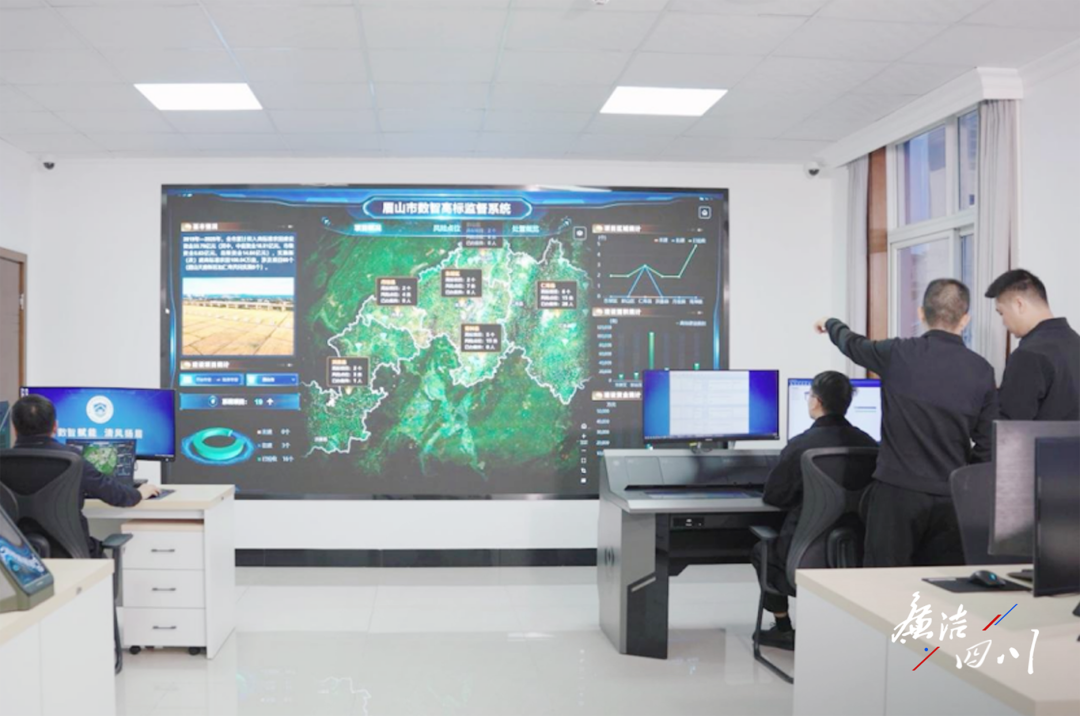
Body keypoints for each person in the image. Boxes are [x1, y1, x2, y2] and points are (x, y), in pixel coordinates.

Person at [814, 279, 998, 567]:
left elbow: (852, 344)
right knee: (940, 586)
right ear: (965, 319)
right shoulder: (982, 370)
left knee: (885, 584)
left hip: (897, 495)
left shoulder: (897, 353)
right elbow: (989, 443)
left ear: (922, 314)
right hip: (951, 499)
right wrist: (962, 481)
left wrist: (831, 323)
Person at [753, 371, 877, 650]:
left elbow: (775, 495)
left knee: (762, 550)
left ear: (816, 401)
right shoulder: (870, 444)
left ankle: (783, 629)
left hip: (803, 558)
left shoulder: (801, 445)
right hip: (856, 555)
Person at [10, 394, 159, 557]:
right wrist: (140, 493)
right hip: (71, 556)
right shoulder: (70, 459)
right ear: (55, 426)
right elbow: (116, 496)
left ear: (14, 429)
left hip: (16, 560)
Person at [985, 269, 1080, 420]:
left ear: (1019, 304)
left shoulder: (1028, 355)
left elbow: (1011, 426)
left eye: (1001, 313)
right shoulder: (1075, 342)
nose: (1003, 322)